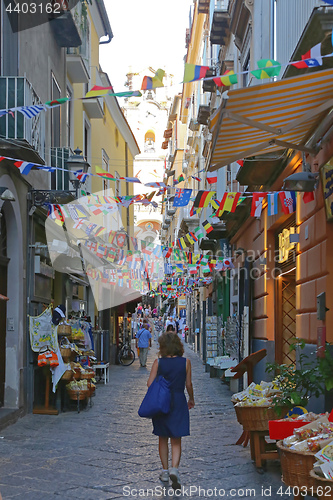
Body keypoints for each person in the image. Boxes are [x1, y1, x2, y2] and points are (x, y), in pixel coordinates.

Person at [147, 332, 195, 489]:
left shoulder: (158, 363)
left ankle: (165, 471)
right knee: (176, 438)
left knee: (162, 437)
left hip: (162, 403)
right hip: (179, 401)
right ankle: (175, 468)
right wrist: (191, 399)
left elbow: (149, 384)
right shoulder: (186, 362)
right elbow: (188, 385)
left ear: (163, 346)